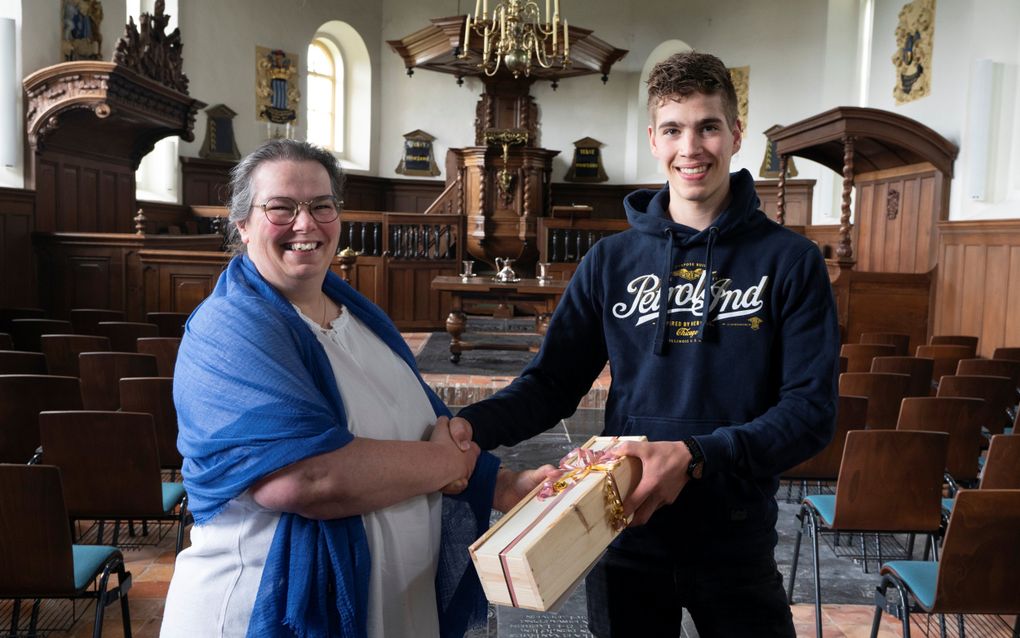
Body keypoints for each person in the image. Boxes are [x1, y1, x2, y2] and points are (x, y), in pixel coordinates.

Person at [453, 51, 840, 637]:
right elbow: (552, 384)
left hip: (734, 533)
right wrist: (468, 429)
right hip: (620, 524)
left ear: (735, 134)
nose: (692, 147)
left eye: (708, 126)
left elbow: (810, 412)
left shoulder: (791, 261)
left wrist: (697, 454)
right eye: (674, 129)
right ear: (654, 140)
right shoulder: (611, 260)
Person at [161, 139, 543, 638]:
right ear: (242, 225)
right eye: (281, 207)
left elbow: (426, 427)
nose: (306, 223)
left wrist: (506, 486)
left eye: (322, 205)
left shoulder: (359, 315)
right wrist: (448, 464)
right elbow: (303, 479)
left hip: (392, 606)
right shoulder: (228, 328)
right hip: (260, 606)